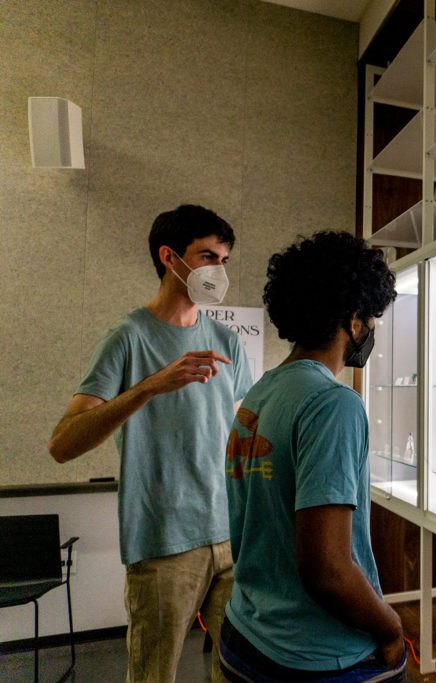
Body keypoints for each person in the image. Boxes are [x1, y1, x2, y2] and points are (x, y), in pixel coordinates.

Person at [48, 204, 252, 682]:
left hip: (231, 535)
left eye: (224, 260)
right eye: (207, 257)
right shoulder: (127, 338)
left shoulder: (226, 341)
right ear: (169, 257)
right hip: (164, 543)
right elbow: (62, 444)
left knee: (239, 671)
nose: (218, 271)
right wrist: (148, 387)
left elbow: (243, 433)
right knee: (153, 674)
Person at [218, 231, 406, 683]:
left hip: (248, 633)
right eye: (370, 318)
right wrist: (392, 626)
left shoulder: (263, 391)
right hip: (317, 656)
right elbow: (327, 569)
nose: (370, 329)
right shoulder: (333, 403)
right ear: (354, 320)